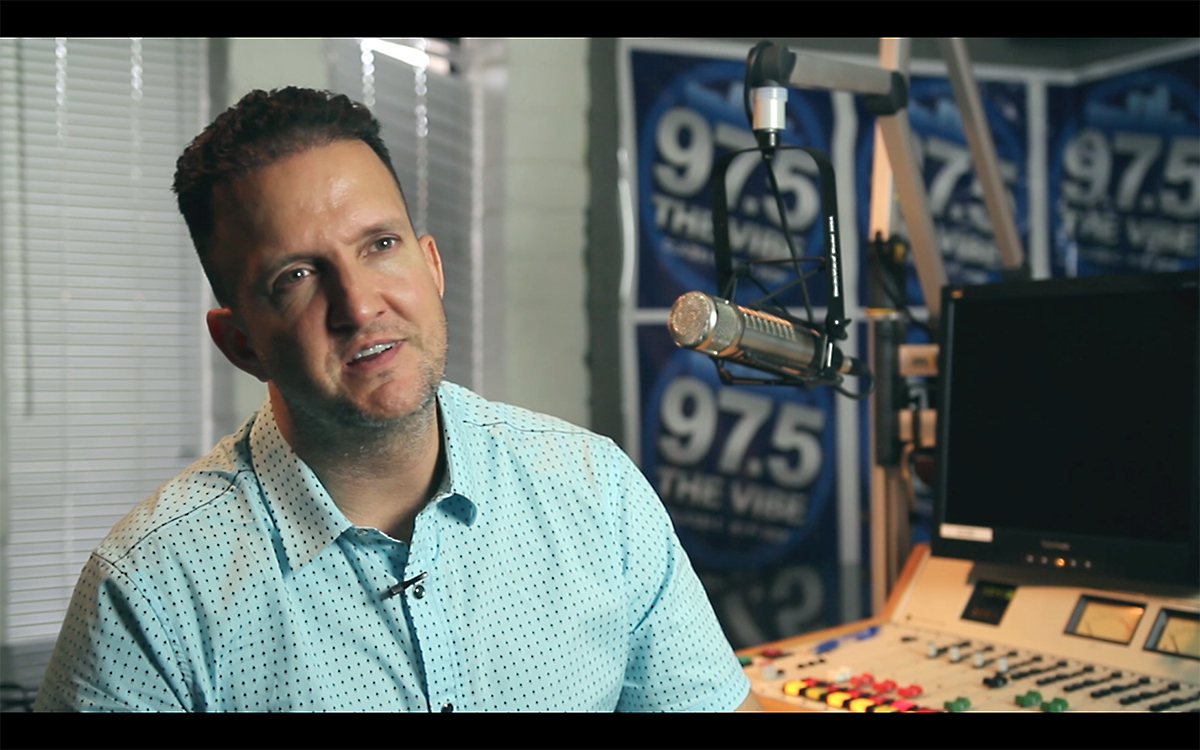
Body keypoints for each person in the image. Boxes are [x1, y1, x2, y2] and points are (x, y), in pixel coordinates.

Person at [34, 87, 757, 712]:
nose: (359, 305)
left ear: (431, 266)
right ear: (241, 342)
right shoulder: (147, 594)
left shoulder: (597, 492)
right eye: (296, 277)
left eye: (380, 245)